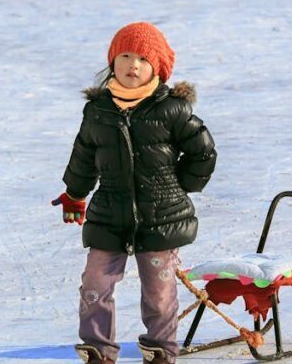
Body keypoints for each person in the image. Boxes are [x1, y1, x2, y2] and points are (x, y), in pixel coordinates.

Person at [52, 22, 217, 364]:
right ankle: (98, 348)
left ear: (156, 67)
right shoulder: (98, 111)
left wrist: (181, 185)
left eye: (143, 58)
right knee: (94, 285)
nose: (133, 65)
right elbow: (84, 156)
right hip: (109, 214)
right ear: (112, 61)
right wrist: (75, 194)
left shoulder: (172, 109)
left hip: (160, 217)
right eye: (125, 56)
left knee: (158, 293)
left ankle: (160, 349)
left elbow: (203, 151)